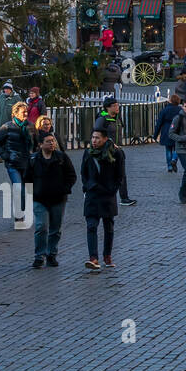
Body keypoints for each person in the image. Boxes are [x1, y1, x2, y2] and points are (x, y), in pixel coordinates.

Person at [28, 131, 76, 268]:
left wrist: (64, 189)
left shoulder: (61, 158)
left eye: (53, 141)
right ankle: (39, 256)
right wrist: (33, 191)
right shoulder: (33, 160)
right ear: (40, 145)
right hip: (39, 199)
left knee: (55, 229)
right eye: (48, 141)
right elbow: (27, 178)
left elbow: (71, 175)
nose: (51, 143)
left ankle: (51, 254)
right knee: (41, 227)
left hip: (58, 199)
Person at [81, 130, 122, 271]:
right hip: (92, 194)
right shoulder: (88, 153)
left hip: (107, 195)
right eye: (92, 137)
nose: (94, 140)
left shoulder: (115, 153)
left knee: (108, 227)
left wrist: (113, 190)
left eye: (97, 138)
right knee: (91, 225)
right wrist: (87, 186)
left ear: (105, 139)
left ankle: (107, 255)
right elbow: (84, 172)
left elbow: (120, 174)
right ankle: (93, 257)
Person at [0, 101, 32, 225]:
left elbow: (36, 144)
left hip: (28, 164)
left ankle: (21, 212)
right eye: (23, 112)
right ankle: (19, 217)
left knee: (26, 191)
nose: (26, 114)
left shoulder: (30, 126)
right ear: (15, 114)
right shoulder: (7, 127)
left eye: (26, 111)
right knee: (18, 188)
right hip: (13, 164)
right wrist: (6, 156)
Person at [94, 96, 136, 206]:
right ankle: (96, 194)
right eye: (114, 106)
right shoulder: (102, 118)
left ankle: (124, 198)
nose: (117, 107)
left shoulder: (117, 117)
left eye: (118, 105)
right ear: (108, 108)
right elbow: (97, 134)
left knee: (122, 174)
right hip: (106, 151)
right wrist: (110, 143)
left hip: (118, 150)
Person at [153, 94, 183, 173]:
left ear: (171, 101)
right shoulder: (180, 110)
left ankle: (169, 166)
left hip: (167, 130)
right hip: (177, 130)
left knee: (168, 149)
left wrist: (155, 135)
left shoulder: (165, 110)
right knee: (177, 147)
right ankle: (174, 159)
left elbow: (159, 123)